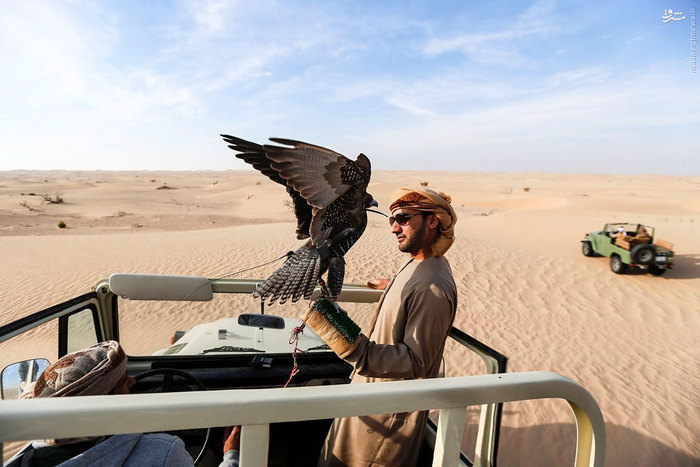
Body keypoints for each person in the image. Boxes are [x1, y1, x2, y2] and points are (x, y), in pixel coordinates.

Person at [311, 187, 458, 467]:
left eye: (403, 218)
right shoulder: (419, 265)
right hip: (371, 400)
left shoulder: (433, 286)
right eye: (392, 219)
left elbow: (416, 361)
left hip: (386, 423)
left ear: (432, 221)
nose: (394, 228)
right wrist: (392, 286)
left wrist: (357, 349)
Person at [14, 341, 240, 467]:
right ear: (104, 403)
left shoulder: (23, 461)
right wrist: (232, 455)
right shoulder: (163, 453)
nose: (133, 381)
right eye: (122, 382)